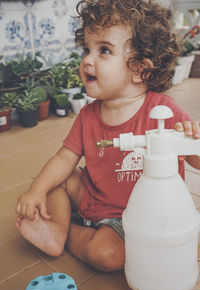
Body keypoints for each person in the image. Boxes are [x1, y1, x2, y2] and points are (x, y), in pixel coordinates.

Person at [16, 0, 200, 272]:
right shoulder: (88, 116)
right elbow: (65, 157)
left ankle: (68, 235)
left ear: (140, 69)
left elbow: (196, 161)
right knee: (61, 177)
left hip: (136, 218)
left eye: (104, 50)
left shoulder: (163, 111)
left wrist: (191, 140)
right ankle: (56, 226)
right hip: (92, 198)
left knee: (108, 256)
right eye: (86, 49)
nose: (87, 60)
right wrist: (37, 190)